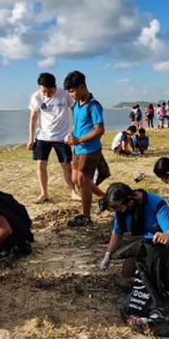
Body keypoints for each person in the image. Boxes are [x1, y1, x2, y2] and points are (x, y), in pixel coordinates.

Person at [97, 183, 169, 282]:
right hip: (141, 245)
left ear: (130, 200)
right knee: (126, 277)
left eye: (118, 208)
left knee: (160, 279)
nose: (117, 211)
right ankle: (145, 281)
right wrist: (108, 255)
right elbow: (117, 233)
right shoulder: (122, 211)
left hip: (162, 247)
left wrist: (165, 236)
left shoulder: (156, 203)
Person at [64, 70, 107, 227]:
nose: (71, 95)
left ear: (82, 87)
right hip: (78, 149)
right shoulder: (76, 105)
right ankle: (103, 196)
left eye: (73, 91)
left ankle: (86, 216)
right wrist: (72, 137)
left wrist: (79, 139)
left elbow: (99, 130)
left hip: (90, 149)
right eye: (69, 92)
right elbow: (79, 125)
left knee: (83, 180)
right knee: (76, 179)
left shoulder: (93, 106)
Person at [28, 72, 77, 203]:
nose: (45, 94)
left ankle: (72, 192)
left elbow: (75, 109)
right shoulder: (36, 96)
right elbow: (33, 118)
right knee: (40, 165)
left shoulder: (64, 94)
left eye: (48, 91)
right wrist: (31, 139)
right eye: (43, 90)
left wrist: (73, 131)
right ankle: (44, 193)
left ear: (54, 87)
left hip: (62, 137)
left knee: (66, 166)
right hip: (42, 137)